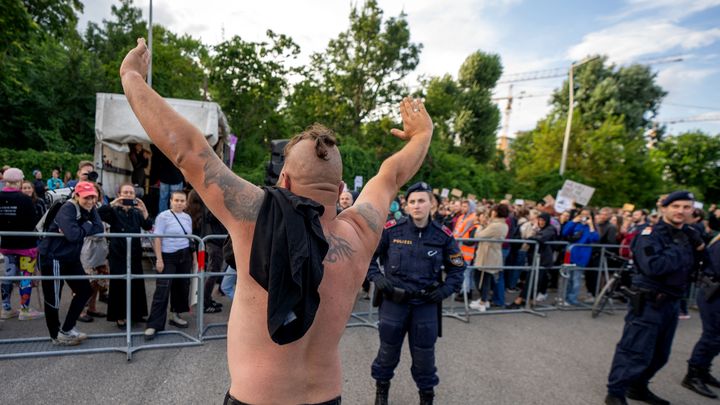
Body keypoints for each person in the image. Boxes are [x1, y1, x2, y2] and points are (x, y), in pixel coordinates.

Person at [120, 37, 433, 405]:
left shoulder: (256, 215)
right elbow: (391, 175)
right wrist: (423, 133)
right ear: (341, 188)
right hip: (326, 397)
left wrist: (131, 78)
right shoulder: (362, 231)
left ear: (283, 180)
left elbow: (189, 151)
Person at [367, 182, 464, 404]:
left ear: (432, 204)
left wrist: (445, 290)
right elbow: (368, 256)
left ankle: (426, 396)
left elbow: (457, 268)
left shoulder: (444, 237)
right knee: (387, 353)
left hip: (425, 305)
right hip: (394, 303)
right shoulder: (392, 230)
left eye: (421, 201)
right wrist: (377, 277)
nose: (416, 205)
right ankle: (381, 392)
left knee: (424, 358)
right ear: (406, 205)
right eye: (412, 202)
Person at [605, 191, 703, 405]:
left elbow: (693, 266)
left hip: (672, 301)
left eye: (686, 207)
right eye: (675, 206)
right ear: (664, 208)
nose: (681, 211)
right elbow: (654, 266)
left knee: (660, 354)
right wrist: (678, 245)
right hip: (649, 301)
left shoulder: (688, 234)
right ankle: (616, 392)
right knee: (634, 350)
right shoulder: (649, 234)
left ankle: (638, 387)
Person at [38, 181, 104, 345]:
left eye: (93, 197)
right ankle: (56, 336)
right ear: (76, 196)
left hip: (71, 257)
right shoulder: (67, 208)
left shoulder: (91, 208)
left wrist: (81, 226)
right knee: (53, 298)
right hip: (53, 258)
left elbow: (99, 228)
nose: (90, 201)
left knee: (84, 290)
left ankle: (67, 329)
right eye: (86, 197)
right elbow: (74, 236)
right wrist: (85, 226)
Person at [98, 183, 153, 328]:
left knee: (136, 283)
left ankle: (136, 314)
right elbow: (98, 213)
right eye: (125, 192)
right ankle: (119, 316)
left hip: (134, 252)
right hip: (118, 253)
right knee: (119, 284)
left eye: (131, 193)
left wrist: (144, 209)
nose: (128, 195)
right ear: (119, 194)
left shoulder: (136, 212)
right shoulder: (114, 210)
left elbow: (148, 225)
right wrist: (113, 203)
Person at [144, 191, 192, 339]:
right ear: (170, 201)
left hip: (184, 255)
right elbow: (157, 238)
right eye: (176, 200)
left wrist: (195, 258)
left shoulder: (187, 217)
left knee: (182, 286)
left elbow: (190, 238)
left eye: (182, 201)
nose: (179, 203)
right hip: (167, 256)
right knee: (162, 290)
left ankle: (175, 315)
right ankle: (154, 324)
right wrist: (159, 259)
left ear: (186, 203)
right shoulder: (163, 216)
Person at [0, 169, 44, 320]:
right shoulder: (24, 199)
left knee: (8, 276)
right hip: (26, 245)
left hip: (6, 244)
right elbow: (33, 222)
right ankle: (24, 310)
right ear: (19, 181)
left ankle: (5, 308)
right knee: (26, 276)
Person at [682, 232, 720, 399]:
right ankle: (693, 375)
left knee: (717, 338)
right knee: (712, 336)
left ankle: (703, 370)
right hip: (714, 294)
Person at [187, 189, 227, 313]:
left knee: (208, 272)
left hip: (207, 243)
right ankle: (204, 302)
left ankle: (205, 299)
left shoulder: (200, 208)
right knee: (212, 272)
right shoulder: (209, 206)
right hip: (212, 243)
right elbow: (212, 218)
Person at [470, 203, 509, 311]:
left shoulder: (496, 225)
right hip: (490, 254)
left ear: (496, 212)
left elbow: (478, 236)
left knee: (482, 279)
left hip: (488, 255)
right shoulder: (501, 224)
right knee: (482, 278)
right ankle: (484, 299)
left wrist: (481, 225)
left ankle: (483, 301)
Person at [561, 209, 599, 306]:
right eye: (582, 214)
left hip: (582, 256)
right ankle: (564, 297)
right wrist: (573, 221)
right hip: (570, 255)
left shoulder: (592, 227)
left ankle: (572, 298)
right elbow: (564, 232)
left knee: (576, 279)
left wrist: (591, 225)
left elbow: (594, 238)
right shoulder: (576, 224)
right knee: (567, 278)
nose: (584, 217)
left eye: (587, 215)